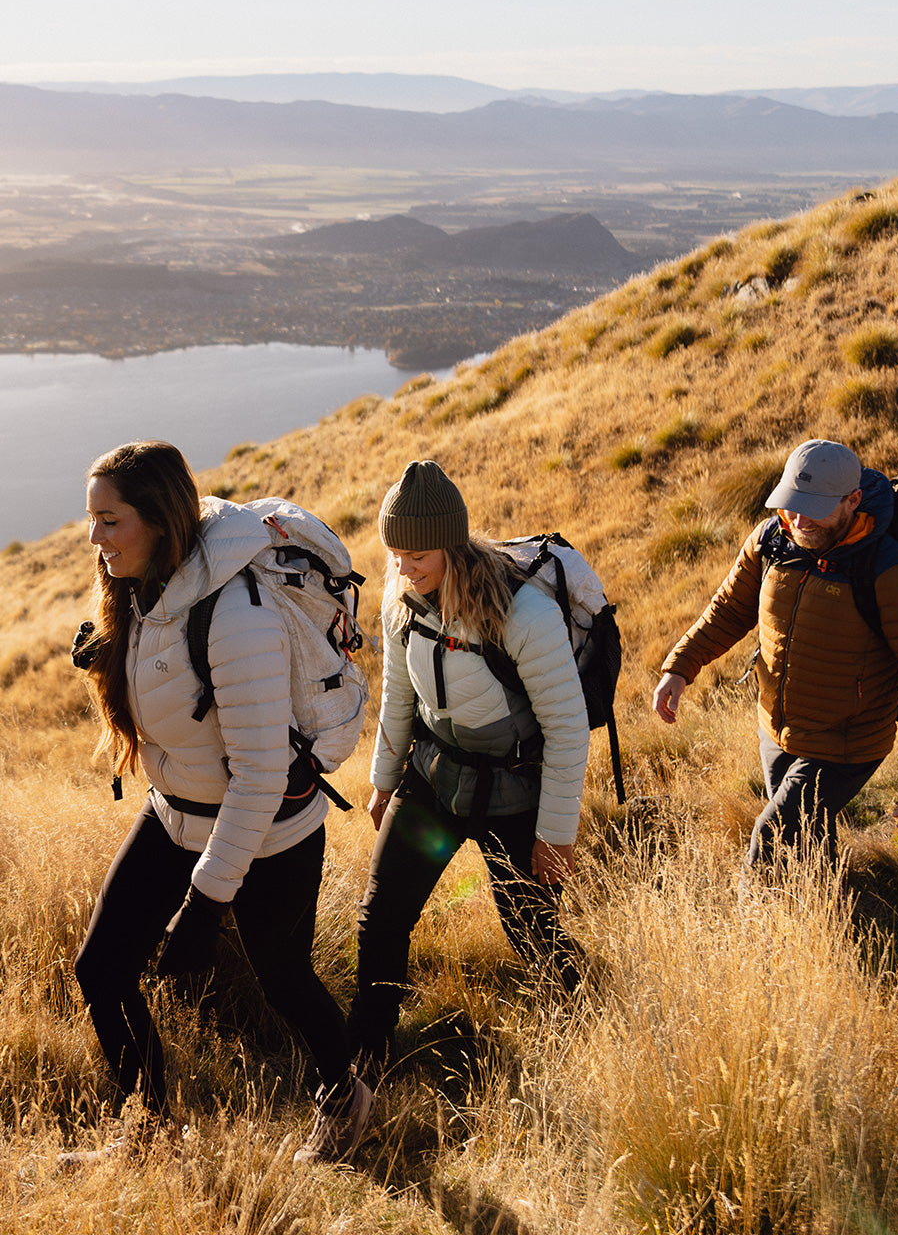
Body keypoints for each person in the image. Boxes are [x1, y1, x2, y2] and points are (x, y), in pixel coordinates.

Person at [68, 440, 372, 1165]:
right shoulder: (145, 588)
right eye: (92, 520)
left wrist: (205, 907)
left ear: (158, 521)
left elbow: (262, 776)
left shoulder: (238, 615)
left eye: (110, 521)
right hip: (175, 812)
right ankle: (148, 1134)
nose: (94, 538)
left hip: (268, 829)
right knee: (101, 971)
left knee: (283, 978)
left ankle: (345, 1096)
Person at [346, 461, 589, 1068]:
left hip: (514, 792)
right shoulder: (400, 596)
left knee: (531, 931)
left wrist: (554, 836)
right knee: (381, 919)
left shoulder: (523, 615)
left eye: (418, 553)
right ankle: (366, 1058)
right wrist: (382, 781)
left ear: (453, 543)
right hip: (431, 781)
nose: (403, 567)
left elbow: (566, 730)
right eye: (394, 551)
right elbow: (398, 696)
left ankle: (592, 1020)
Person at [652, 439, 898, 870]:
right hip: (776, 730)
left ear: (852, 501)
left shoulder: (893, 572)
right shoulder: (771, 541)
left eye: (812, 507)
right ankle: (828, 916)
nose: (797, 520)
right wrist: (680, 667)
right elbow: (728, 610)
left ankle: (754, 935)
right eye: (790, 505)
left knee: (772, 838)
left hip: (846, 742)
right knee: (805, 841)